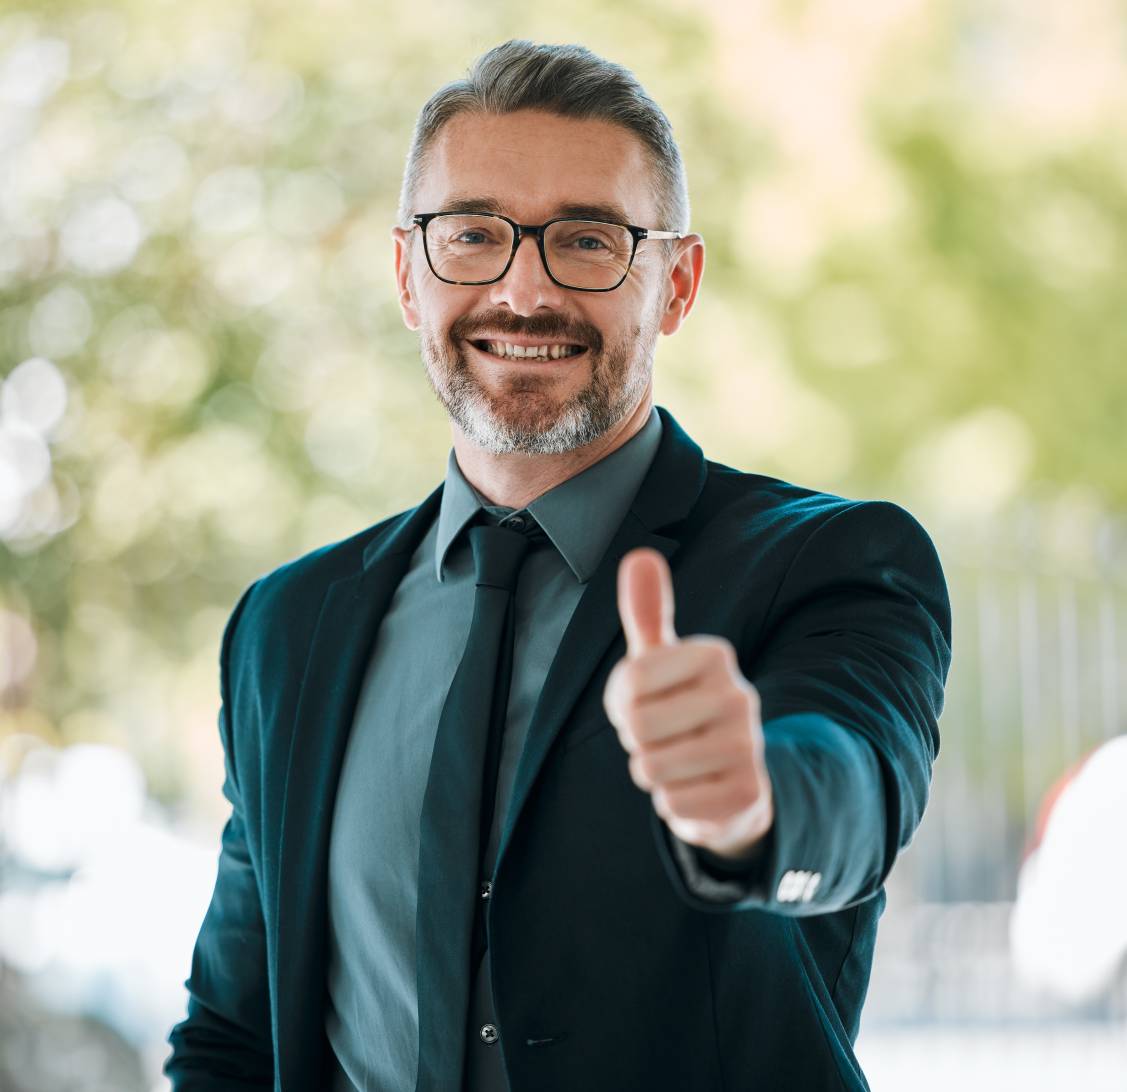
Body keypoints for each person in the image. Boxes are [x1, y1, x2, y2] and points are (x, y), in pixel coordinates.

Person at [165, 39, 952, 1092]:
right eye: (473, 234)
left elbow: (851, 789)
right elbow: (233, 1033)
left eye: (587, 240)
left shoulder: (834, 562)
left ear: (674, 282)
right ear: (408, 273)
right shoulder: (286, 626)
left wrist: (748, 804)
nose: (524, 292)